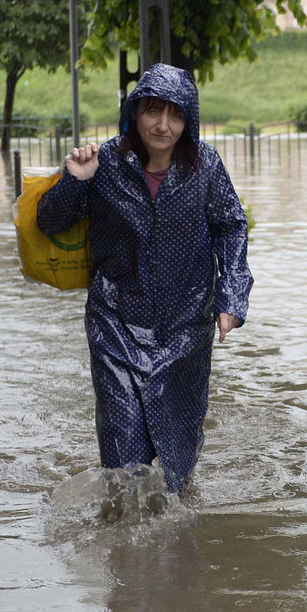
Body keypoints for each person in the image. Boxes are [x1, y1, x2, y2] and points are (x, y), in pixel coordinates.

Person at [36, 63, 252, 494]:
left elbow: (231, 227)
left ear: (188, 120)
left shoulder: (206, 165)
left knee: (177, 456)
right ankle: (122, 533)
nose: (163, 125)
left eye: (175, 115)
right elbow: (50, 222)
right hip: (114, 320)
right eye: (153, 112)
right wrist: (74, 182)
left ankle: (173, 540)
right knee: (123, 453)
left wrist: (231, 297)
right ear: (134, 113)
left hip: (187, 324)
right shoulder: (106, 163)